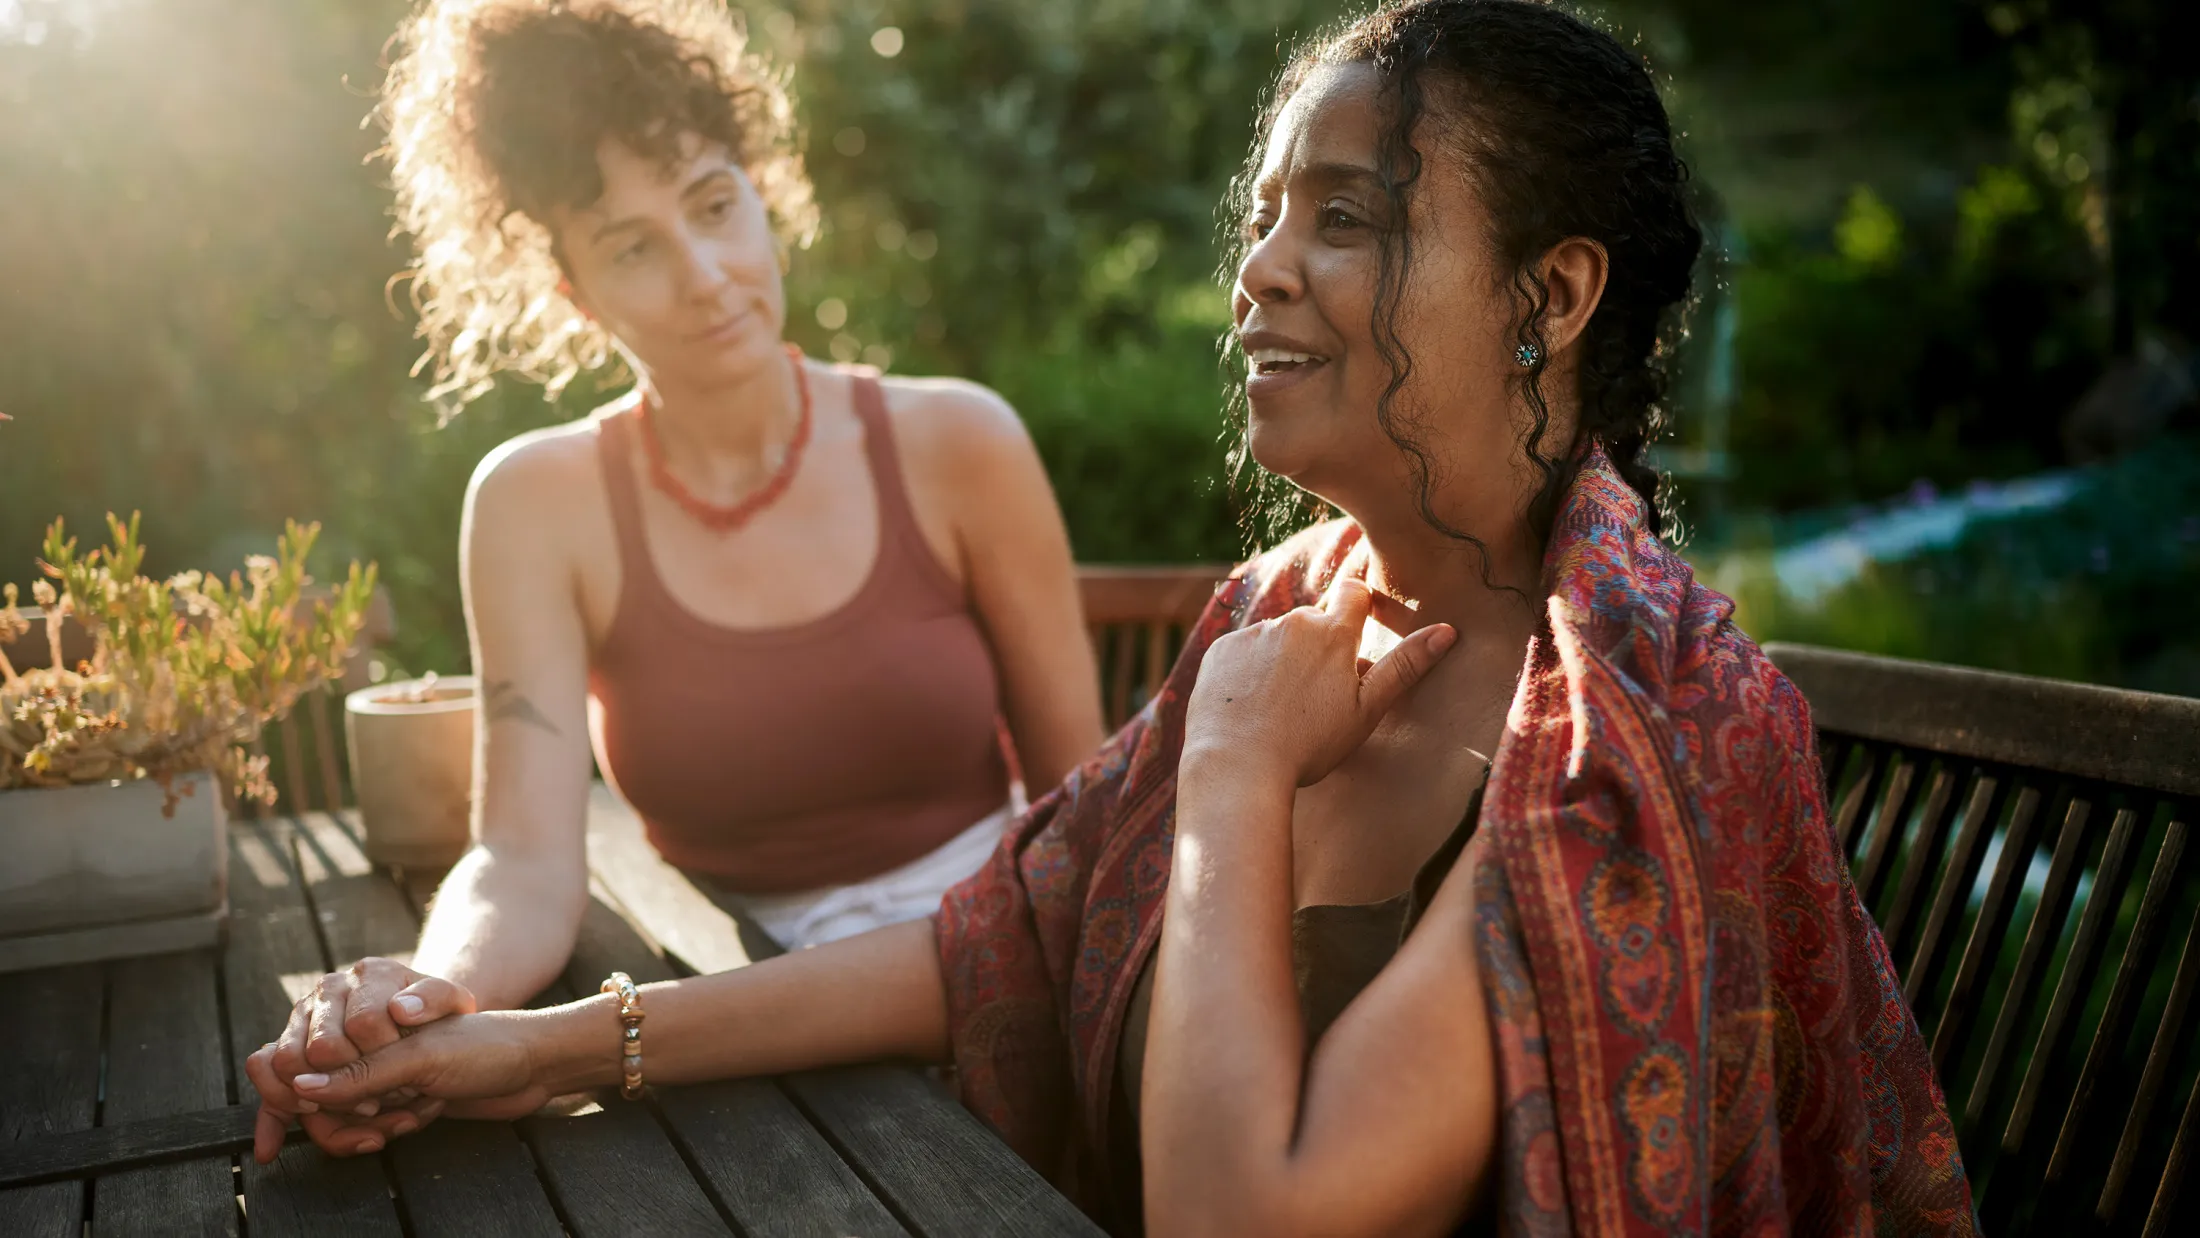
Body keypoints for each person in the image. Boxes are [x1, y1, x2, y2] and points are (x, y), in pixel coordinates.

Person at [253, 2, 1978, 1233]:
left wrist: (1233, 766)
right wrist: (537, 1048)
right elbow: (997, 938)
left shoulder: (1623, 725)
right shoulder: (1290, 607)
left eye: (1346, 216)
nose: (1259, 269)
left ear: (1556, 292)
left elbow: (1239, 1211)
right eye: (1265, 216)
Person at [250, 0, 1106, 1157]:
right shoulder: (535, 501)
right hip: (734, 1020)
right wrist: (425, 999)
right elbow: (523, 857)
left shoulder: (960, 441)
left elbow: (1082, 819)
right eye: (630, 246)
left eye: (713, 205)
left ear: (762, 193)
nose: (704, 276)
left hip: (999, 973)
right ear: (574, 292)